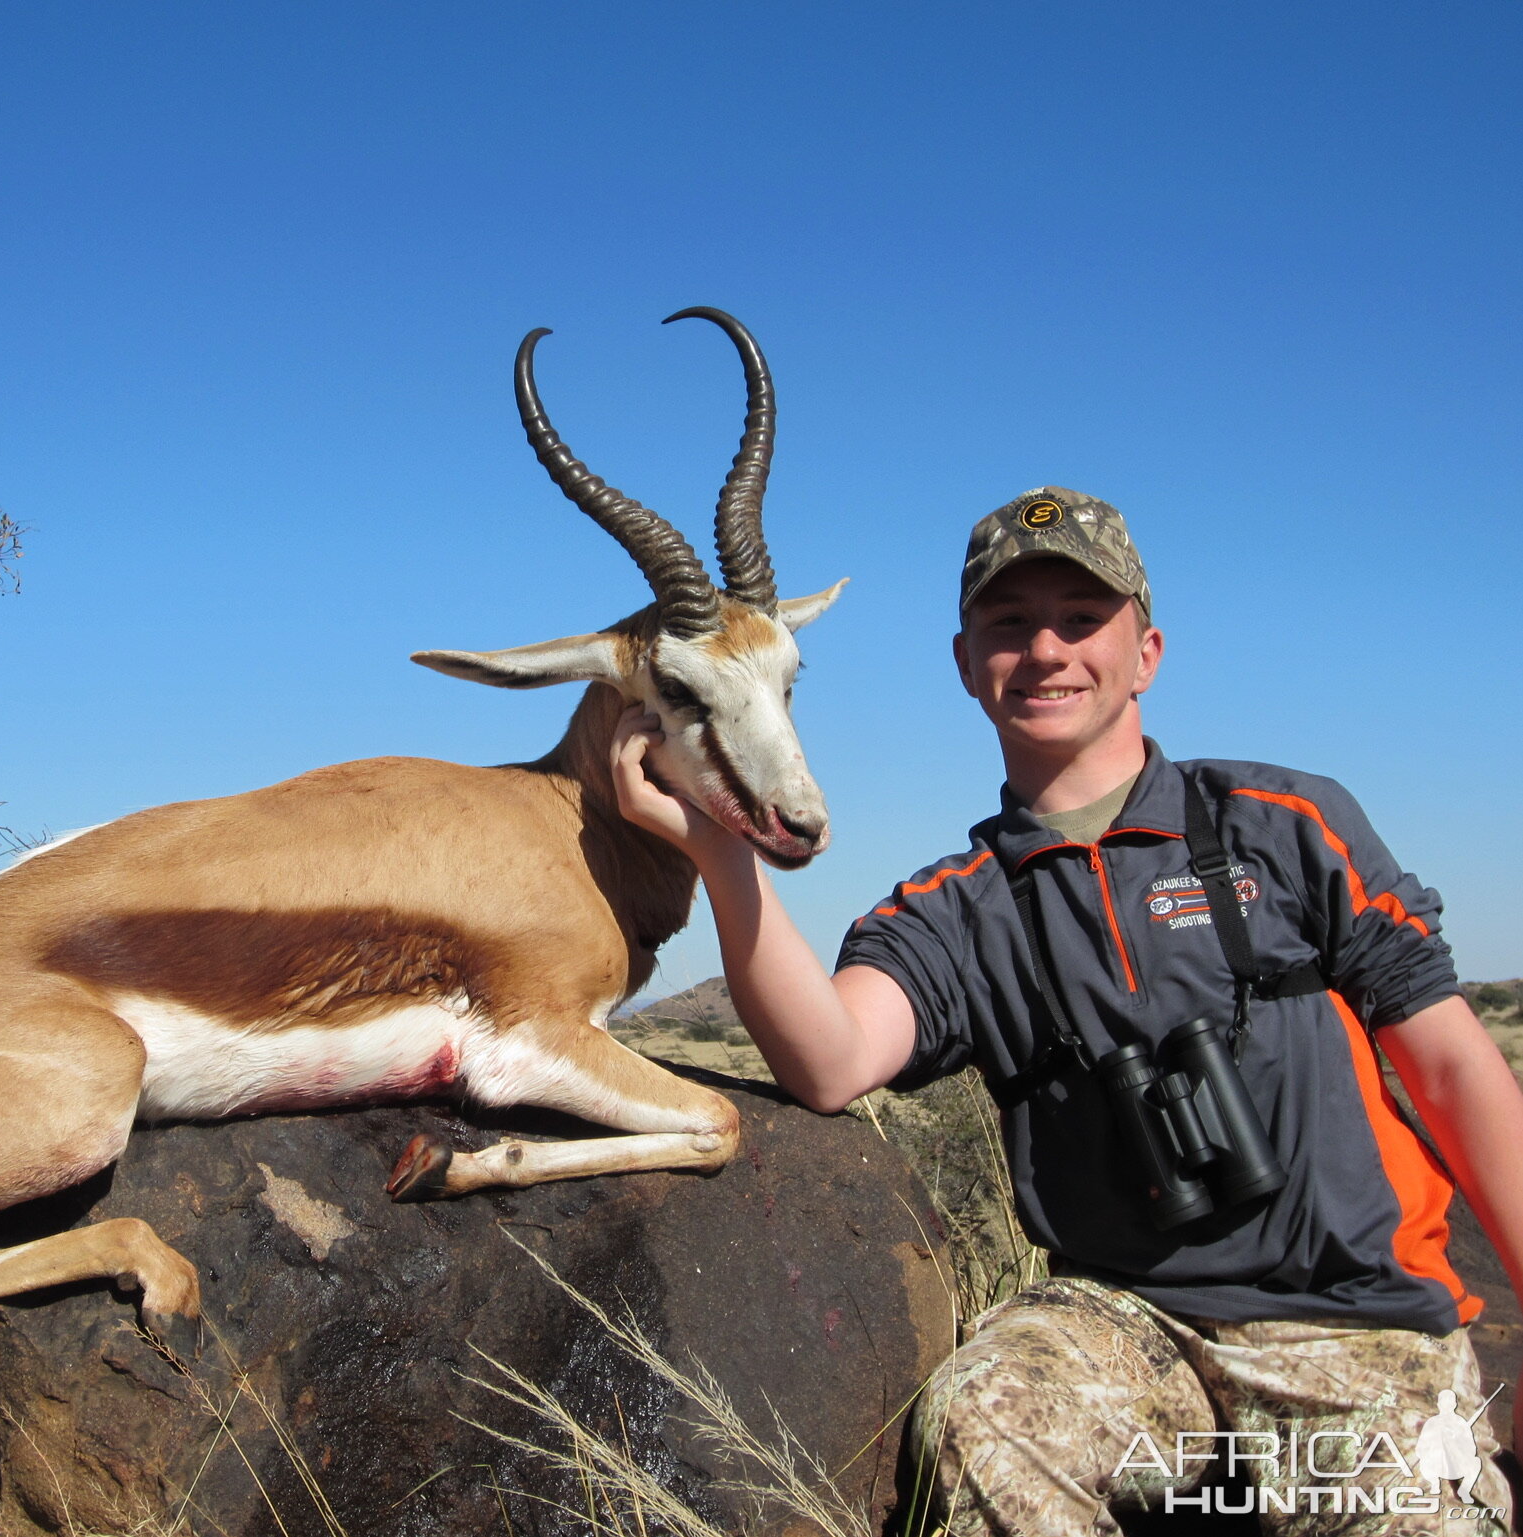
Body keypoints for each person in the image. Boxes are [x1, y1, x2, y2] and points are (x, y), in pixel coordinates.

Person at [610, 487, 1523, 1534]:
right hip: (1133, 1330)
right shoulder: (953, 909)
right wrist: (722, 848)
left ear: (1147, 652)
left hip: (1364, 1334)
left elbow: (1452, 1068)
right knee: (981, 1418)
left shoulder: (1288, 824)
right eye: (1010, 624)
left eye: (1082, 620)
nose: (1047, 650)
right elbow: (829, 1059)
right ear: (966, 664)